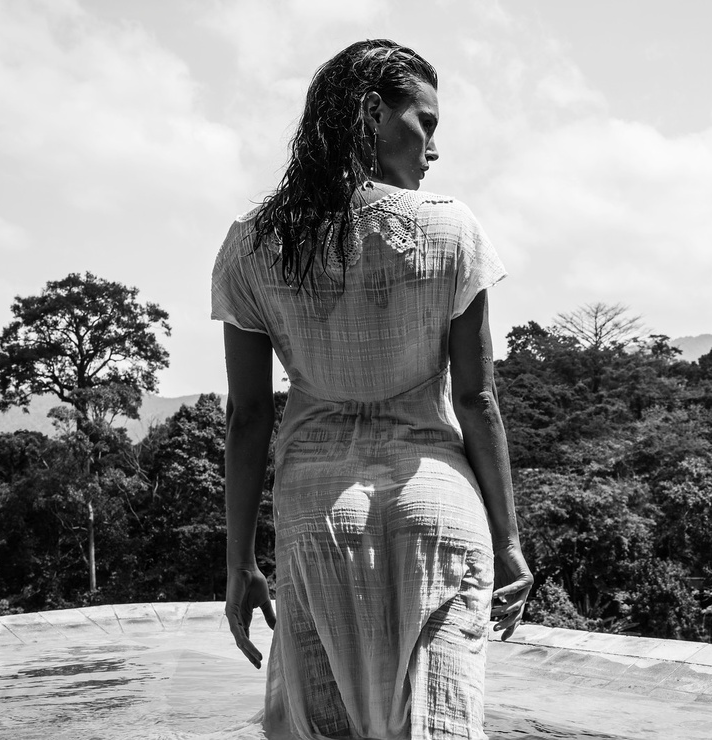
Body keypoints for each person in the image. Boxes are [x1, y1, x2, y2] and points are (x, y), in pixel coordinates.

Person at [211, 39, 533, 740]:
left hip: (316, 511)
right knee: (442, 723)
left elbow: (248, 417)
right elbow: (477, 401)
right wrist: (509, 540)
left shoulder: (251, 244)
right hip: (436, 506)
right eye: (426, 123)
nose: (434, 149)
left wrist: (239, 563)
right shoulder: (451, 228)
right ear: (371, 113)